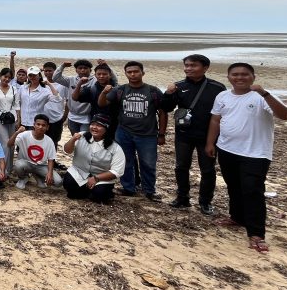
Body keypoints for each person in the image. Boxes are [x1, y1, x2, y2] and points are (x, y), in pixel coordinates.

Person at [206, 63, 287, 253]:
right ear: (228, 77)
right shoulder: (223, 96)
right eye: (235, 74)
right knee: (234, 186)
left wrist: (265, 93)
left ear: (253, 77)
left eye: (244, 74)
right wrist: (210, 143)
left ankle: (256, 233)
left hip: (256, 153)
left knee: (252, 191)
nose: (239, 78)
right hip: (227, 149)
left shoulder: (261, 97)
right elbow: (215, 120)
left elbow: (286, 115)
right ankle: (236, 217)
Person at [160, 54, 226, 215]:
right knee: (181, 167)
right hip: (184, 134)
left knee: (208, 170)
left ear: (205, 68)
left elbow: (223, 113)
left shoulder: (217, 88)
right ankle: (182, 197)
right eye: (187, 65)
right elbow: (166, 108)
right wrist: (168, 93)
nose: (188, 68)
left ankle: (205, 202)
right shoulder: (178, 86)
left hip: (207, 136)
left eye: (193, 65)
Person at [98, 61, 165, 201]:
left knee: (148, 163)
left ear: (142, 73)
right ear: (125, 74)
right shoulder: (120, 90)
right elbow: (102, 103)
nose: (133, 74)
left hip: (147, 134)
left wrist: (161, 133)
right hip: (124, 132)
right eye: (129, 72)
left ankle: (149, 190)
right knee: (125, 162)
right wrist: (104, 92)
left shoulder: (153, 91)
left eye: (136, 71)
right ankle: (128, 188)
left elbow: (163, 112)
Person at [61, 116, 125, 204]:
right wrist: (72, 139)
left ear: (106, 128)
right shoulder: (81, 136)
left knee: (99, 195)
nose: (94, 127)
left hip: (101, 177)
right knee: (69, 185)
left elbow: (117, 171)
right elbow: (67, 151)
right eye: (92, 124)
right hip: (80, 172)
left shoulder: (115, 147)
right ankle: (87, 191)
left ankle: (98, 192)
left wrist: (96, 178)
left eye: (99, 125)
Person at [10, 114, 62, 189]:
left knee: (58, 182)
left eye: (43, 125)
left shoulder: (49, 141)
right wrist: (17, 132)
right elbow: (9, 144)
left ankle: (38, 176)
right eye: (38, 124)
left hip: (41, 166)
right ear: (34, 125)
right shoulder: (25, 135)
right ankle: (23, 178)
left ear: (47, 127)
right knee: (18, 165)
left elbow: (51, 159)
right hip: (26, 163)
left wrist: (50, 173)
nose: (40, 127)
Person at [42, 62, 68, 148]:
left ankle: (52, 157)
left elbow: (67, 100)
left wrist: (65, 115)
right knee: (41, 140)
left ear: (55, 71)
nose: (48, 73)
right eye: (46, 71)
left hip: (57, 117)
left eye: (50, 71)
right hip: (43, 116)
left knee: (54, 141)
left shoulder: (62, 84)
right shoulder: (41, 82)